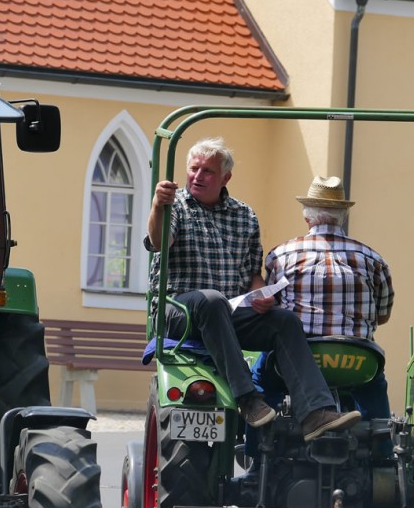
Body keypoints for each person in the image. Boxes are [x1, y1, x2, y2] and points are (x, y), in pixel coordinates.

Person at [146, 138, 360, 440]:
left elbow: (251, 274)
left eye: (207, 171)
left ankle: (315, 412)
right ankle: (247, 399)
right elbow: (158, 242)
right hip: (179, 313)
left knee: (284, 321)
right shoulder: (175, 206)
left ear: (225, 178)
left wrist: (263, 294)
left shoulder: (244, 215)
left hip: (226, 313)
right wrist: (158, 205)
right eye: (193, 169)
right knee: (211, 300)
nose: (198, 176)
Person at [264, 175, 395, 419]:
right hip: (357, 359)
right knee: (375, 387)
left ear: (307, 216)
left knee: (262, 377)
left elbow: (272, 307)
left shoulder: (280, 255)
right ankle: (382, 447)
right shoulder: (373, 259)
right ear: (343, 216)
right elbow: (383, 314)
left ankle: (255, 448)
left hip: (302, 355)